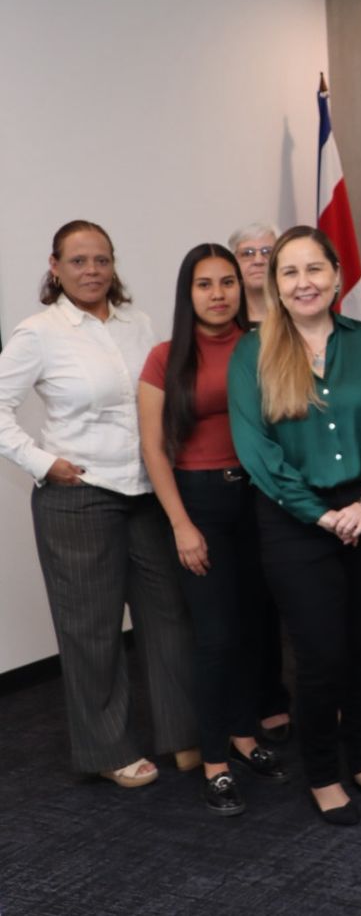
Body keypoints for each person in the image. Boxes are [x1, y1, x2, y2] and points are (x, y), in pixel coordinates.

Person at [0, 220, 198, 788]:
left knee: (169, 617)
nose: (92, 271)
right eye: (79, 261)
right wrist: (43, 463)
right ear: (55, 266)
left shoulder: (140, 325)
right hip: (79, 498)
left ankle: (184, 732)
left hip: (145, 491)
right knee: (92, 631)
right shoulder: (40, 333)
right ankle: (109, 750)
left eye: (102, 260)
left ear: (114, 265)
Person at [228, 225, 361, 825]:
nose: (303, 282)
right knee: (321, 654)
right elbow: (257, 452)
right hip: (294, 521)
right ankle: (324, 775)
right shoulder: (253, 353)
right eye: (289, 272)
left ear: (336, 276)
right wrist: (323, 514)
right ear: (274, 285)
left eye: (314, 269)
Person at [138, 245, 288, 815]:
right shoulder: (164, 358)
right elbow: (154, 449)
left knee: (253, 628)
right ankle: (215, 762)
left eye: (228, 282)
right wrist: (181, 524)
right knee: (216, 636)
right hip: (198, 503)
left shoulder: (263, 344)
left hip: (259, 497)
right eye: (205, 284)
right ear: (188, 293)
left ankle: (245, 736)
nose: (219, 294)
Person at [226, 220, 292, 743]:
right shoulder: (223, 324)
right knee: (253, 598)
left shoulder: (297, 316)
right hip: (238, 481)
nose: (256, 259)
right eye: (246, 252)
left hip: (296, 476)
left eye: (267, 251)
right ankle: (266, 697)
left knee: (302, 595)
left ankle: (321, 696)